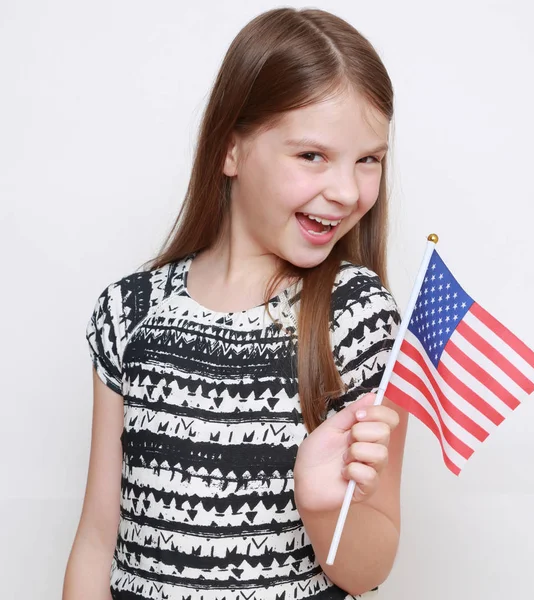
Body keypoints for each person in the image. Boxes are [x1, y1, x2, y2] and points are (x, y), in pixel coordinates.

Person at [62, 7, 408, 600]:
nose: (349, 191)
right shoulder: (129, 312)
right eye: (312, 156)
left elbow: (369, 569)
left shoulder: (357, 319)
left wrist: (323, 508)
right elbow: (99, 535)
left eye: (368, 159)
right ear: (231, 151)